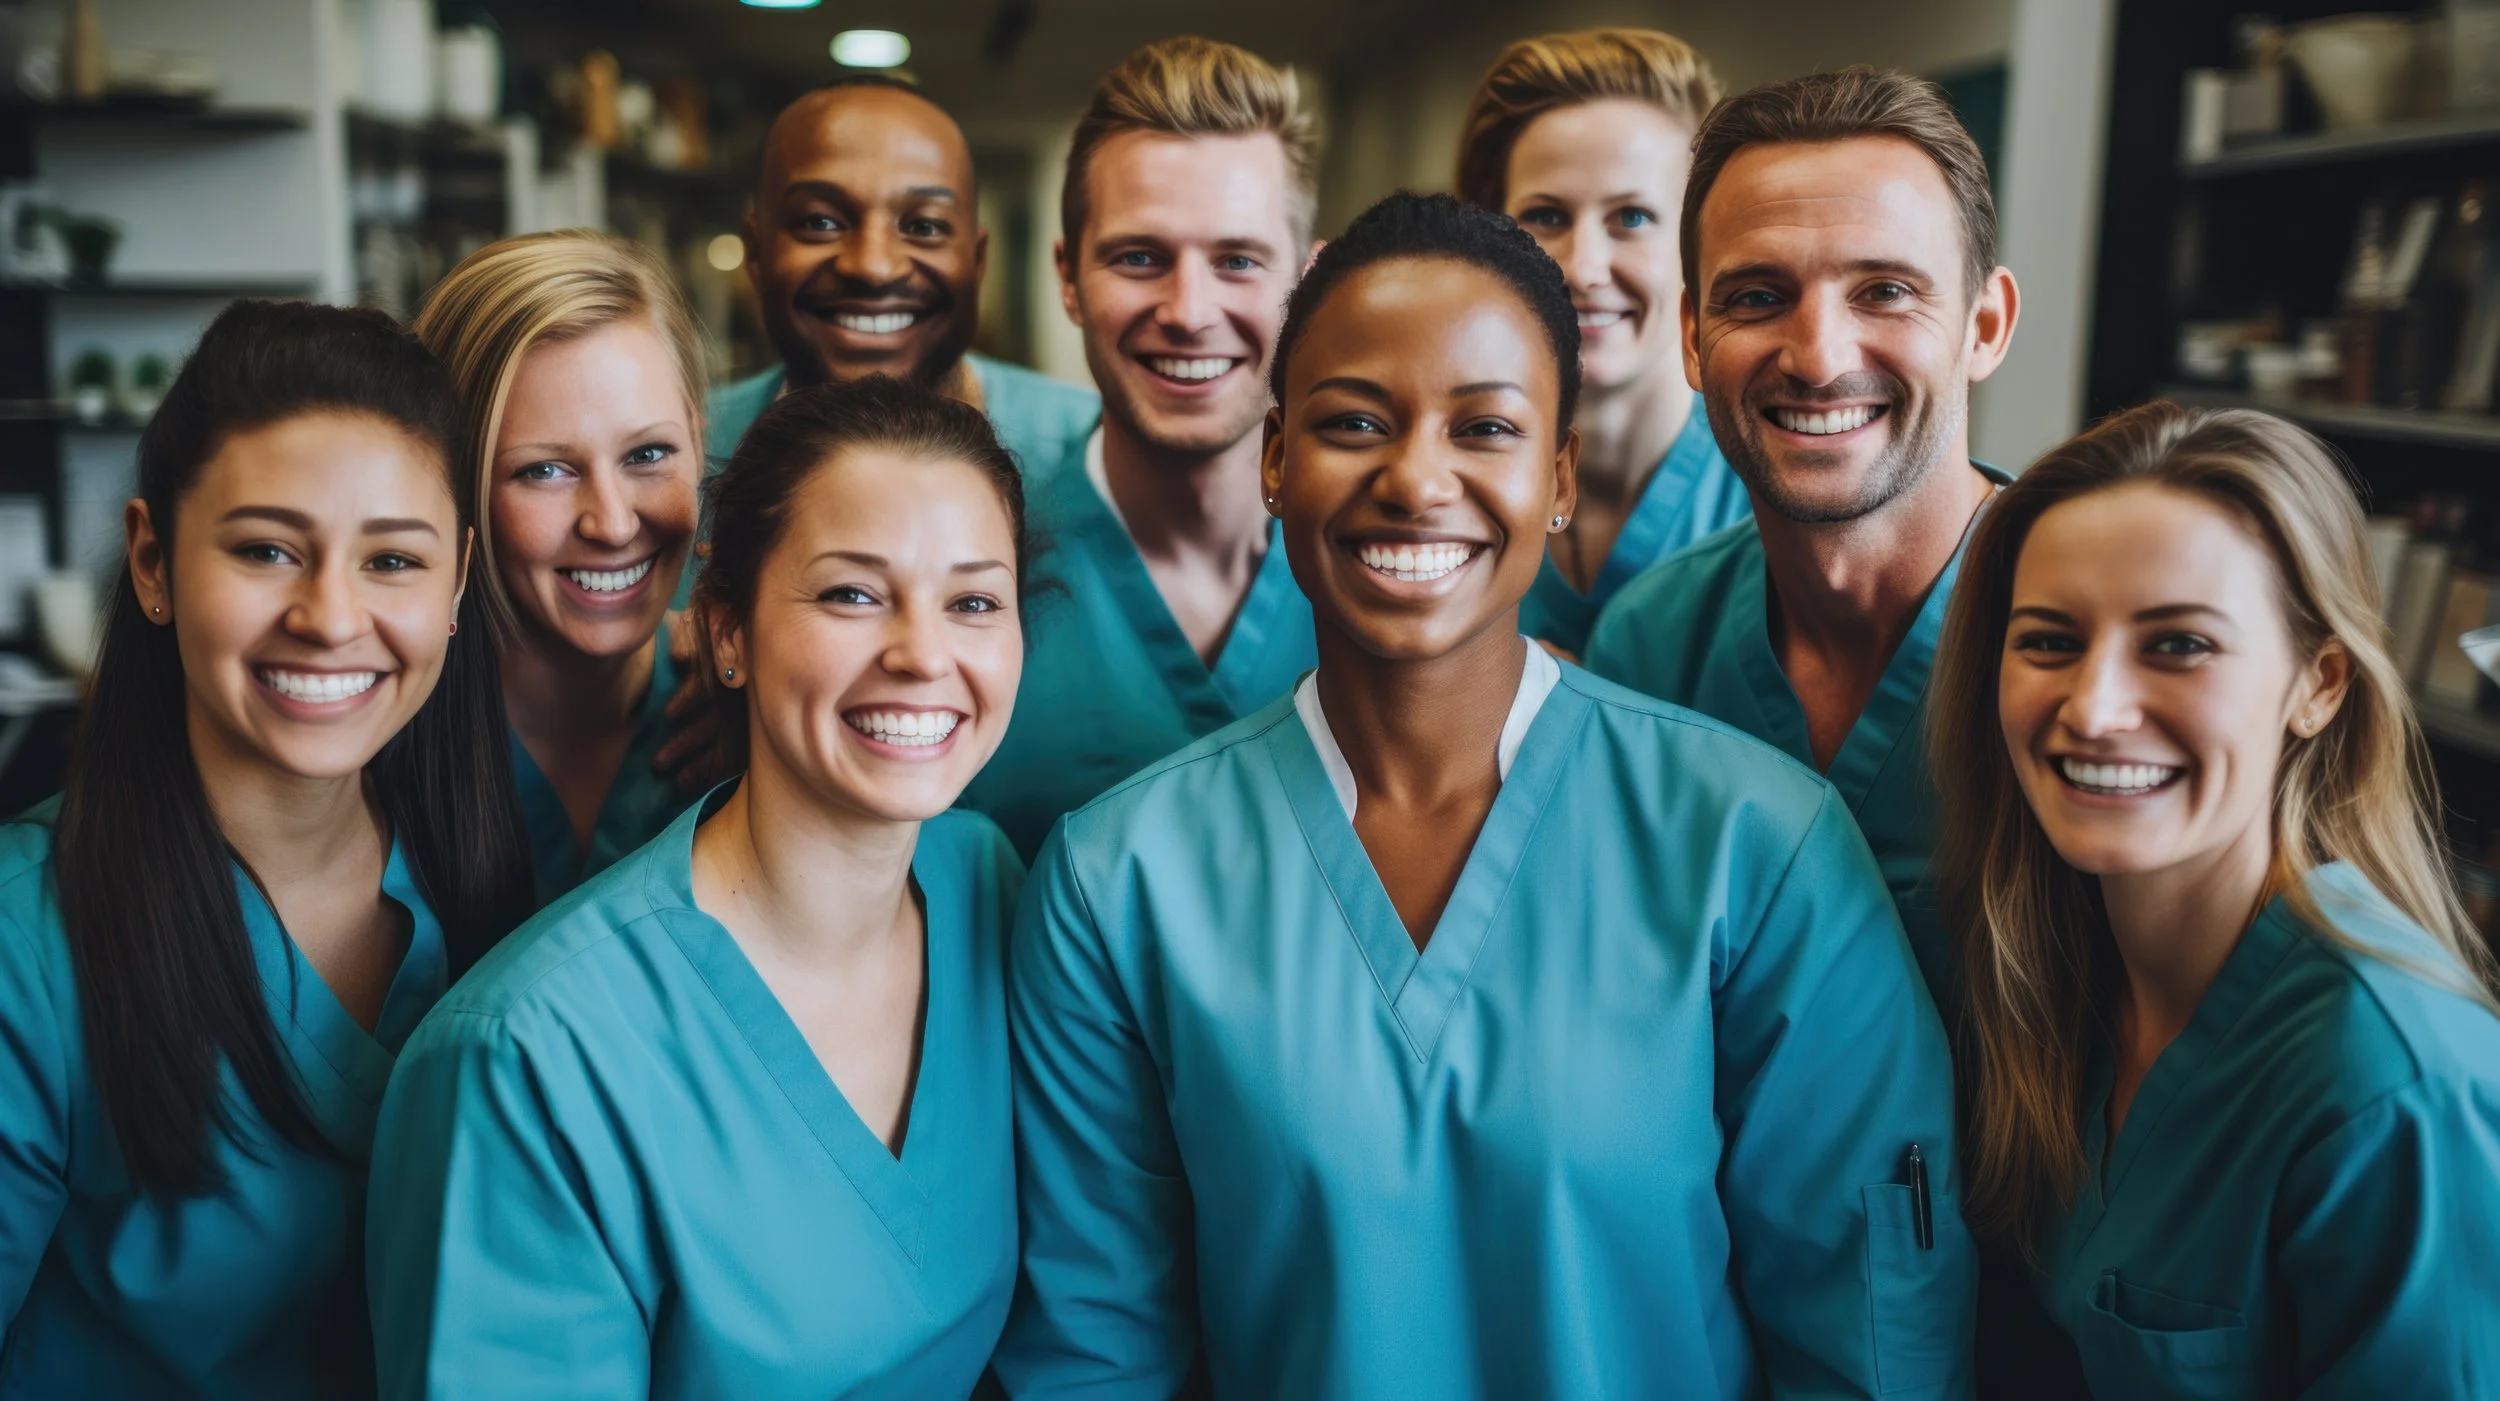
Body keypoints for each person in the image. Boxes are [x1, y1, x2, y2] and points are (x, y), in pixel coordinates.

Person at [996, 193, 1971, 1400]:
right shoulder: (1116, 881)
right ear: (1277, 461)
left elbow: (1870, 1332)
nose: (1415, 480)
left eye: (1485, 428)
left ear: (1557, 476)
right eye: (1355, 422)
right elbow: (1096, 1353)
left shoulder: (1755, 850)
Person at [368, 378, 1029, 1400]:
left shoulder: (984, 883)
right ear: (725, 633)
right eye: (852, 593)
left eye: (975, 601)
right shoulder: (527, 1062)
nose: (923, 654)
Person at [0, 301, 530, 1399]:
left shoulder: (487, 882)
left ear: (458, 585)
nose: (329, 615)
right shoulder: (27, 946)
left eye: (392, 560)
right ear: (153, 561)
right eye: (267, 550)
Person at [1929, 401, 2500, 1397]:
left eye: (2178, 645)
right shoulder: (2045, 976)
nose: (2095, 709)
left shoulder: (2392, 1085)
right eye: (2049, 642)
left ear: (2317, 685)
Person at [1584, 66, 2019, 1004]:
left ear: (1984, 325)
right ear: (1694, 340)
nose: (1819, 357)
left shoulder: (2093, 638)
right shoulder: (1650, 646)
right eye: (1756, 296)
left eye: (1887, 291)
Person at [958, 36, 1321, 857]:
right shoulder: (976, 582)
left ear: (1307, 279)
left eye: (1237, 260)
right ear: (1067, 277)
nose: (1189, 309)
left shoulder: (1394, 568)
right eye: (1138, 257)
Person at [414, 231, 708, 907]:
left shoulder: (749, 718)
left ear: (697, 437)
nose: (611, 522)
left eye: (647, 454)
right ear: (450, 483)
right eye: (543, 470)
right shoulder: (379, 734)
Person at [1456, 28, 1750, 656]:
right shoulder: (1447, 484)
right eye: (1546, 217)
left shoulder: (1766, 489)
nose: (1584, 268)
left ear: (1702, 237)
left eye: (1633, 217)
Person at [707, 75, 1096, 480]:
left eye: (924, 227)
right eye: (820, 222)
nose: (874, 267)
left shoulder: (1096, 455)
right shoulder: (686, 448)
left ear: (977, 262)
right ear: (756, 252)